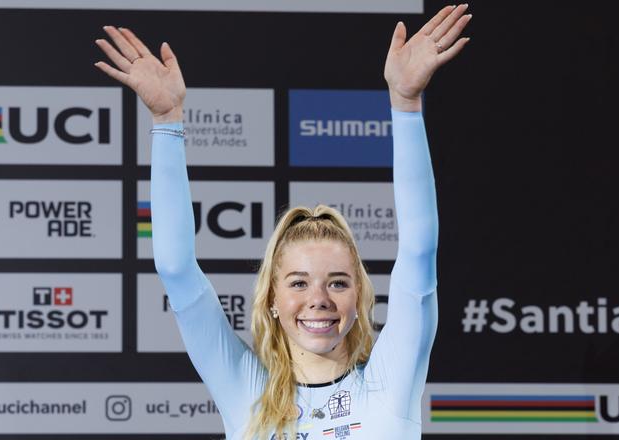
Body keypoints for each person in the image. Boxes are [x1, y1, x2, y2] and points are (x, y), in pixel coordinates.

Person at [94, 4, 470, 439]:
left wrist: (405, 106)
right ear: (271, 298)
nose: (319, 299)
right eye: (297, 282)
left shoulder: (391, 381)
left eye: (337, 282)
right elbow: (176, 269)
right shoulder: (246, 390)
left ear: (360, 295)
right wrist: (166, 123)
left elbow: (420, 249)